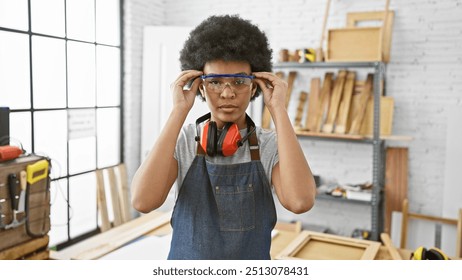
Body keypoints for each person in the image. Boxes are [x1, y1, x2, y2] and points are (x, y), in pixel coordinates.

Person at [131, 15, 316, 260]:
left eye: (239, 81)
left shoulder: (269, 144)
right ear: (200, 86)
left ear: (254, 86)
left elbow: (300, 202)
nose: (227, 93)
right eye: (215, 82)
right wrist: (179, 111)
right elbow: (143, 201)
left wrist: (278, 110)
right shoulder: (186, 140)